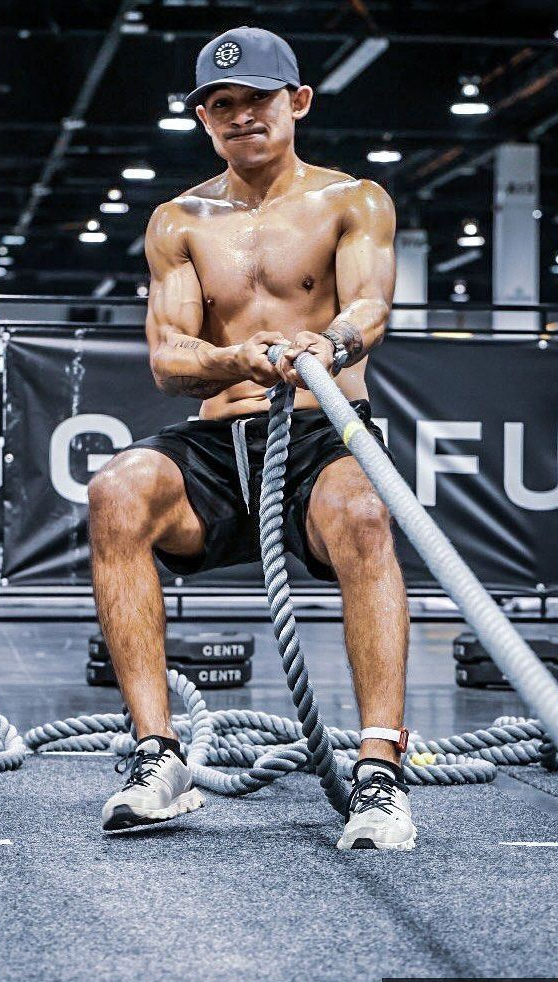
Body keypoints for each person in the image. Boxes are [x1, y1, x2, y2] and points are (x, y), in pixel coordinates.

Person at [88, 26, 416, 850]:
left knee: (366, 513)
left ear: (297, 101)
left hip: (321, 431)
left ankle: (380, 772)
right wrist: (236, 358)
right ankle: (157, 756)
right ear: (204, 119)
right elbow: (169, 358)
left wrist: (328, 344)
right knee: (116, 491)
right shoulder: (179, 220)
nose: (241, 115)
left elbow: (371, 307)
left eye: (258, 99)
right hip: (221, 441)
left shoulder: (354, 201)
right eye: (221, 104)